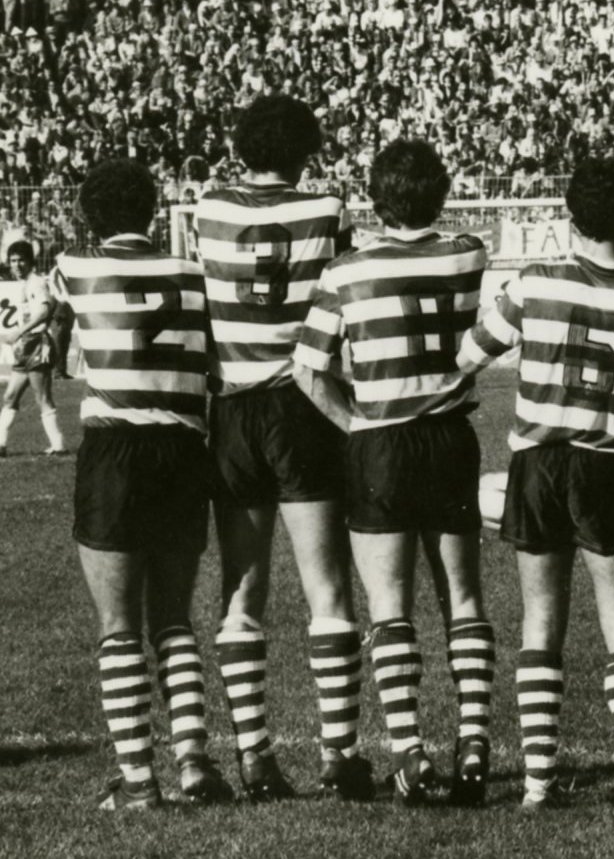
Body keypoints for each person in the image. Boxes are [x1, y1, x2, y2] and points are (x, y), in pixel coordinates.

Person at [457, 157, 614, 810]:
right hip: (611, 464)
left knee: (541, 619)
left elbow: (471, 352)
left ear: (571, 217)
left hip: (538, 464)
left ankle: (538, 783)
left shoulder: (535, 284)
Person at [294, 139, 493, 807]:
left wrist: (355, 425)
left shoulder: (346, 271)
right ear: (440, 192)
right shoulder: (468, 254)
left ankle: (410, 751)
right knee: (463, 597)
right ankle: (473, 741)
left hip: (380, 443)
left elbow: (308, 370)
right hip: (449, 438)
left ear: (377, 200)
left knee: (389, 605)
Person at [192, 95, 368, 801]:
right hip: (304, 403)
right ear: (305, 150)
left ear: (241, 148)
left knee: (243, 588)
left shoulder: (207, 209)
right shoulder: (327, 209)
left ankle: (254, 756)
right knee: (328, 586)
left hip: (233, 407)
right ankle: (339, 754)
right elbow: (346, 300)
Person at [58, 159, 233, 809]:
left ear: (90, 218)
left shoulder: (72, 267)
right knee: (173, 618)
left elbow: (65, 337)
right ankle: (194, 762)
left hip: (116, 448)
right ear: (153, 210)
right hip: (184, 446)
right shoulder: (193, 274)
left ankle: (137, 781)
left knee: (118, 626)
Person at [0, 240, 67, 457]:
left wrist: (18, 333)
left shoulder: (37, 283)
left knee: (42, 396)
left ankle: (58, 445)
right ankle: (1, 444)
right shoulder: (26, 283)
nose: (17, 265)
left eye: (21, 260)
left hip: (37, 344)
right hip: (26, 347)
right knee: (10, 396)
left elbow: (44, 312)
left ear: (30, 261)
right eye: (13, 261)